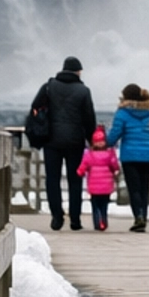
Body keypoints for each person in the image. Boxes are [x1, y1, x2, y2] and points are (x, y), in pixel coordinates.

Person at [29, 56, 97, 230]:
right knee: (75, 180)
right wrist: (93, 140)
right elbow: (89, 119)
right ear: (78, 71)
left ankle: (57, 217)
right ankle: (75, 220)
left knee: (53, 179)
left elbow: (35, 106)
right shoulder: (83, 91)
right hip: (75, 141)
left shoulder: (49, 87)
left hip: (51, 140)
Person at [107, 83, 149, 233]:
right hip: (147, 156)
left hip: (130, 156)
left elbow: (115, 134)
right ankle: (143, 218)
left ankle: (138, 217)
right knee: (144, 188)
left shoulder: (122, 113)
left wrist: (104, 144)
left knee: (134, 189)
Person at [77, 126, 121, 232]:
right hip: (106, 187)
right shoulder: (109, 154)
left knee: (95, 206)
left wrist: (80, 172)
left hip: (94, 187)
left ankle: (97, 223)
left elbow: (83, 165)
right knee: (104, 206)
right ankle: (104, 221)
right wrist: (116, 169)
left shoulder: (89, 155)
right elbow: (115, 165)